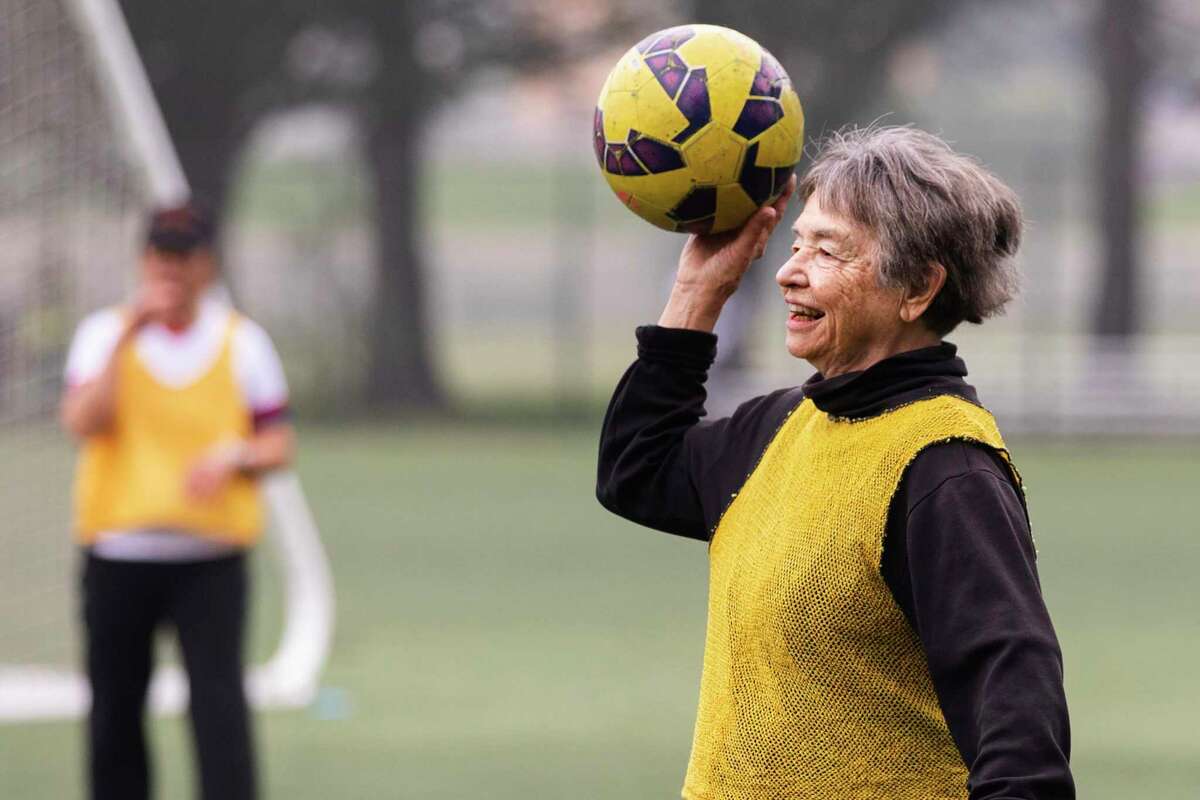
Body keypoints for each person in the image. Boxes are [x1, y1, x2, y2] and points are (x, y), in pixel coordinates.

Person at [597, 127, 1074, 800]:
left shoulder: (945, 468)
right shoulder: (779, 428)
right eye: (796, 244)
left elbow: (1019, 718)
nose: (790, 269)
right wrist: (699, 291)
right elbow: (635, 471)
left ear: (917, 287)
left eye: (828, 250)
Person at [60, 203, 294, 800]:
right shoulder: (103, 336)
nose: (172, 268)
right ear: (144, 260)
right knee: (115, 707)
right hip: (120, 551)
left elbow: (278, 442)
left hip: (209, 556)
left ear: (207, 265)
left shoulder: (242, 343)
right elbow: (85, 422)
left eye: (184, 255)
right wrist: (127, 338)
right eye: (161, 254)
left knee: (218, 707)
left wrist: (234, 457)